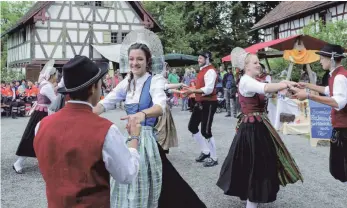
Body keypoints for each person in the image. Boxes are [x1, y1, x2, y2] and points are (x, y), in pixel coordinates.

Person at [93, 33, 206, 207]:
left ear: (147, 61)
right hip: (129, 138)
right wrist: (86, 114)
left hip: (146, 140)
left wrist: (142, 114)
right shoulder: (126, 82)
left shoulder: (155, 80)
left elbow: (160, 106)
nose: (134, 63)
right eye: (131, 59)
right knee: (125, 182)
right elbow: (106, 102)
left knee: (161, 184)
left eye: (139, 59)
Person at [34, 55, 141, 207]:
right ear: (93, 88)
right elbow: (127, 174)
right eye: (100, 82)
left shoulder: (41, 126)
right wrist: (134, 137)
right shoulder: (106, 130)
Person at [216, 47, 303, 208]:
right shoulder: (246, 81)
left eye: (258, 62)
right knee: (257, 165)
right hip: (252, 129)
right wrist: (284, 83)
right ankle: (252, 199)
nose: (258, 65)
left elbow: (268, 91)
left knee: (253, 163)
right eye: (255, 63)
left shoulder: (254, 80)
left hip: (257, 126)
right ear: (246, 66)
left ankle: (248, 195)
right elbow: (266, 89)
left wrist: (287, 87)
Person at [292, 43, 347, 183]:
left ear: (332, 59)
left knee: (342, 169)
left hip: (345, 129)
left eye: (322, 58)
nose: (320, 60)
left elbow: (338, 103)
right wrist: (307, 86)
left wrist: (309, 96)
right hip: (342, 128)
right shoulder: (337, 74)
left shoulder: (340, 77)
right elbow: (328, 91)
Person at [13, 60, 57, 174]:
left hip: (43, 113)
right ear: (52, 76)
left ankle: (46, 161)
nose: (57, 77)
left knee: (45, 138)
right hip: (42, 114)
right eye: (56, 75)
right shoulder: (47, 86)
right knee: (33, 137)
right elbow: (55, 101)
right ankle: (18, 162)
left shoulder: (44, 83)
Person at [183, 51, 219, 167]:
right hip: (200, 102)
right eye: (198, 58)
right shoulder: (203, 70)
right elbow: (200, 87)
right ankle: (205, 151)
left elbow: (208, 89)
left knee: (206, 131)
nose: (198, 60)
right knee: (192, 126)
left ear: (207, 58)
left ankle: (214, 157)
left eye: (201, 58)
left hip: (209, 103)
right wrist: (191, 89)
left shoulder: (210, 71)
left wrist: (192, 91)